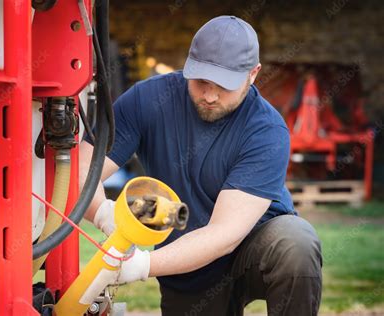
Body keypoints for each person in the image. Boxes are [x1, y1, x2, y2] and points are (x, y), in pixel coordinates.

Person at [81, 16, 322, 315]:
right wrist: (105, 214)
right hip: (188, 262)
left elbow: (224, 234)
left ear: (253, 74)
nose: (209, 95)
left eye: (224, 86)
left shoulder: (267, 131)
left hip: (253, 248)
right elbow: (81, 172)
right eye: (201, 82)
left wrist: (142, 266)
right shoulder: (147, 100)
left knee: (295, 243)